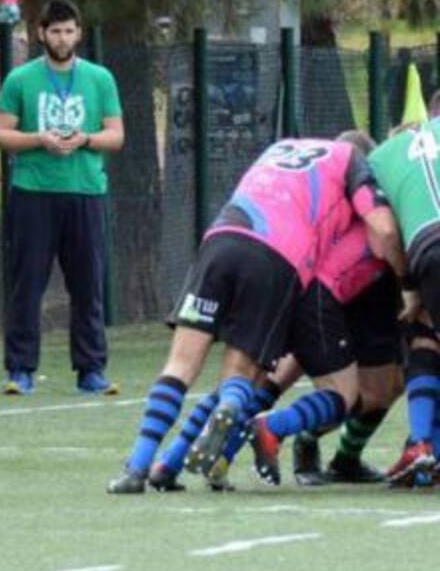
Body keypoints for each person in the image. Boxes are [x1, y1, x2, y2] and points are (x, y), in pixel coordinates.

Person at [107, 136, 401, 494]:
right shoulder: (351, 162)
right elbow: (383, 229)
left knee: (181, 365)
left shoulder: (283, 147)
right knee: (264, 380)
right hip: (276, 255)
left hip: (220, 239)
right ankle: (246, 417)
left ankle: (143, 466)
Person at [0, 0, 124, 396]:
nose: (62, 38)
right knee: (26, 285)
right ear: (41, 33)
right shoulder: (20, 79)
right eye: (55, 31)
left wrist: (85, 139)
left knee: (88, 286)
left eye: (69, 31)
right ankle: (20, 370)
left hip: (86, 193)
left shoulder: (100, 79)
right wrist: (39, 139)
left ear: (79, 34)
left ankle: (91, 370)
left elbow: (116, 136)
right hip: (33, 194)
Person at [365, 115, 440, 484]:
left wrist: (408, 285)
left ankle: (423, 445)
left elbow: (386, 229)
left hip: (427, 248)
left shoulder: (378, 160)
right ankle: (426, 450)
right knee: (425, 331)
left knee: (421, 330)